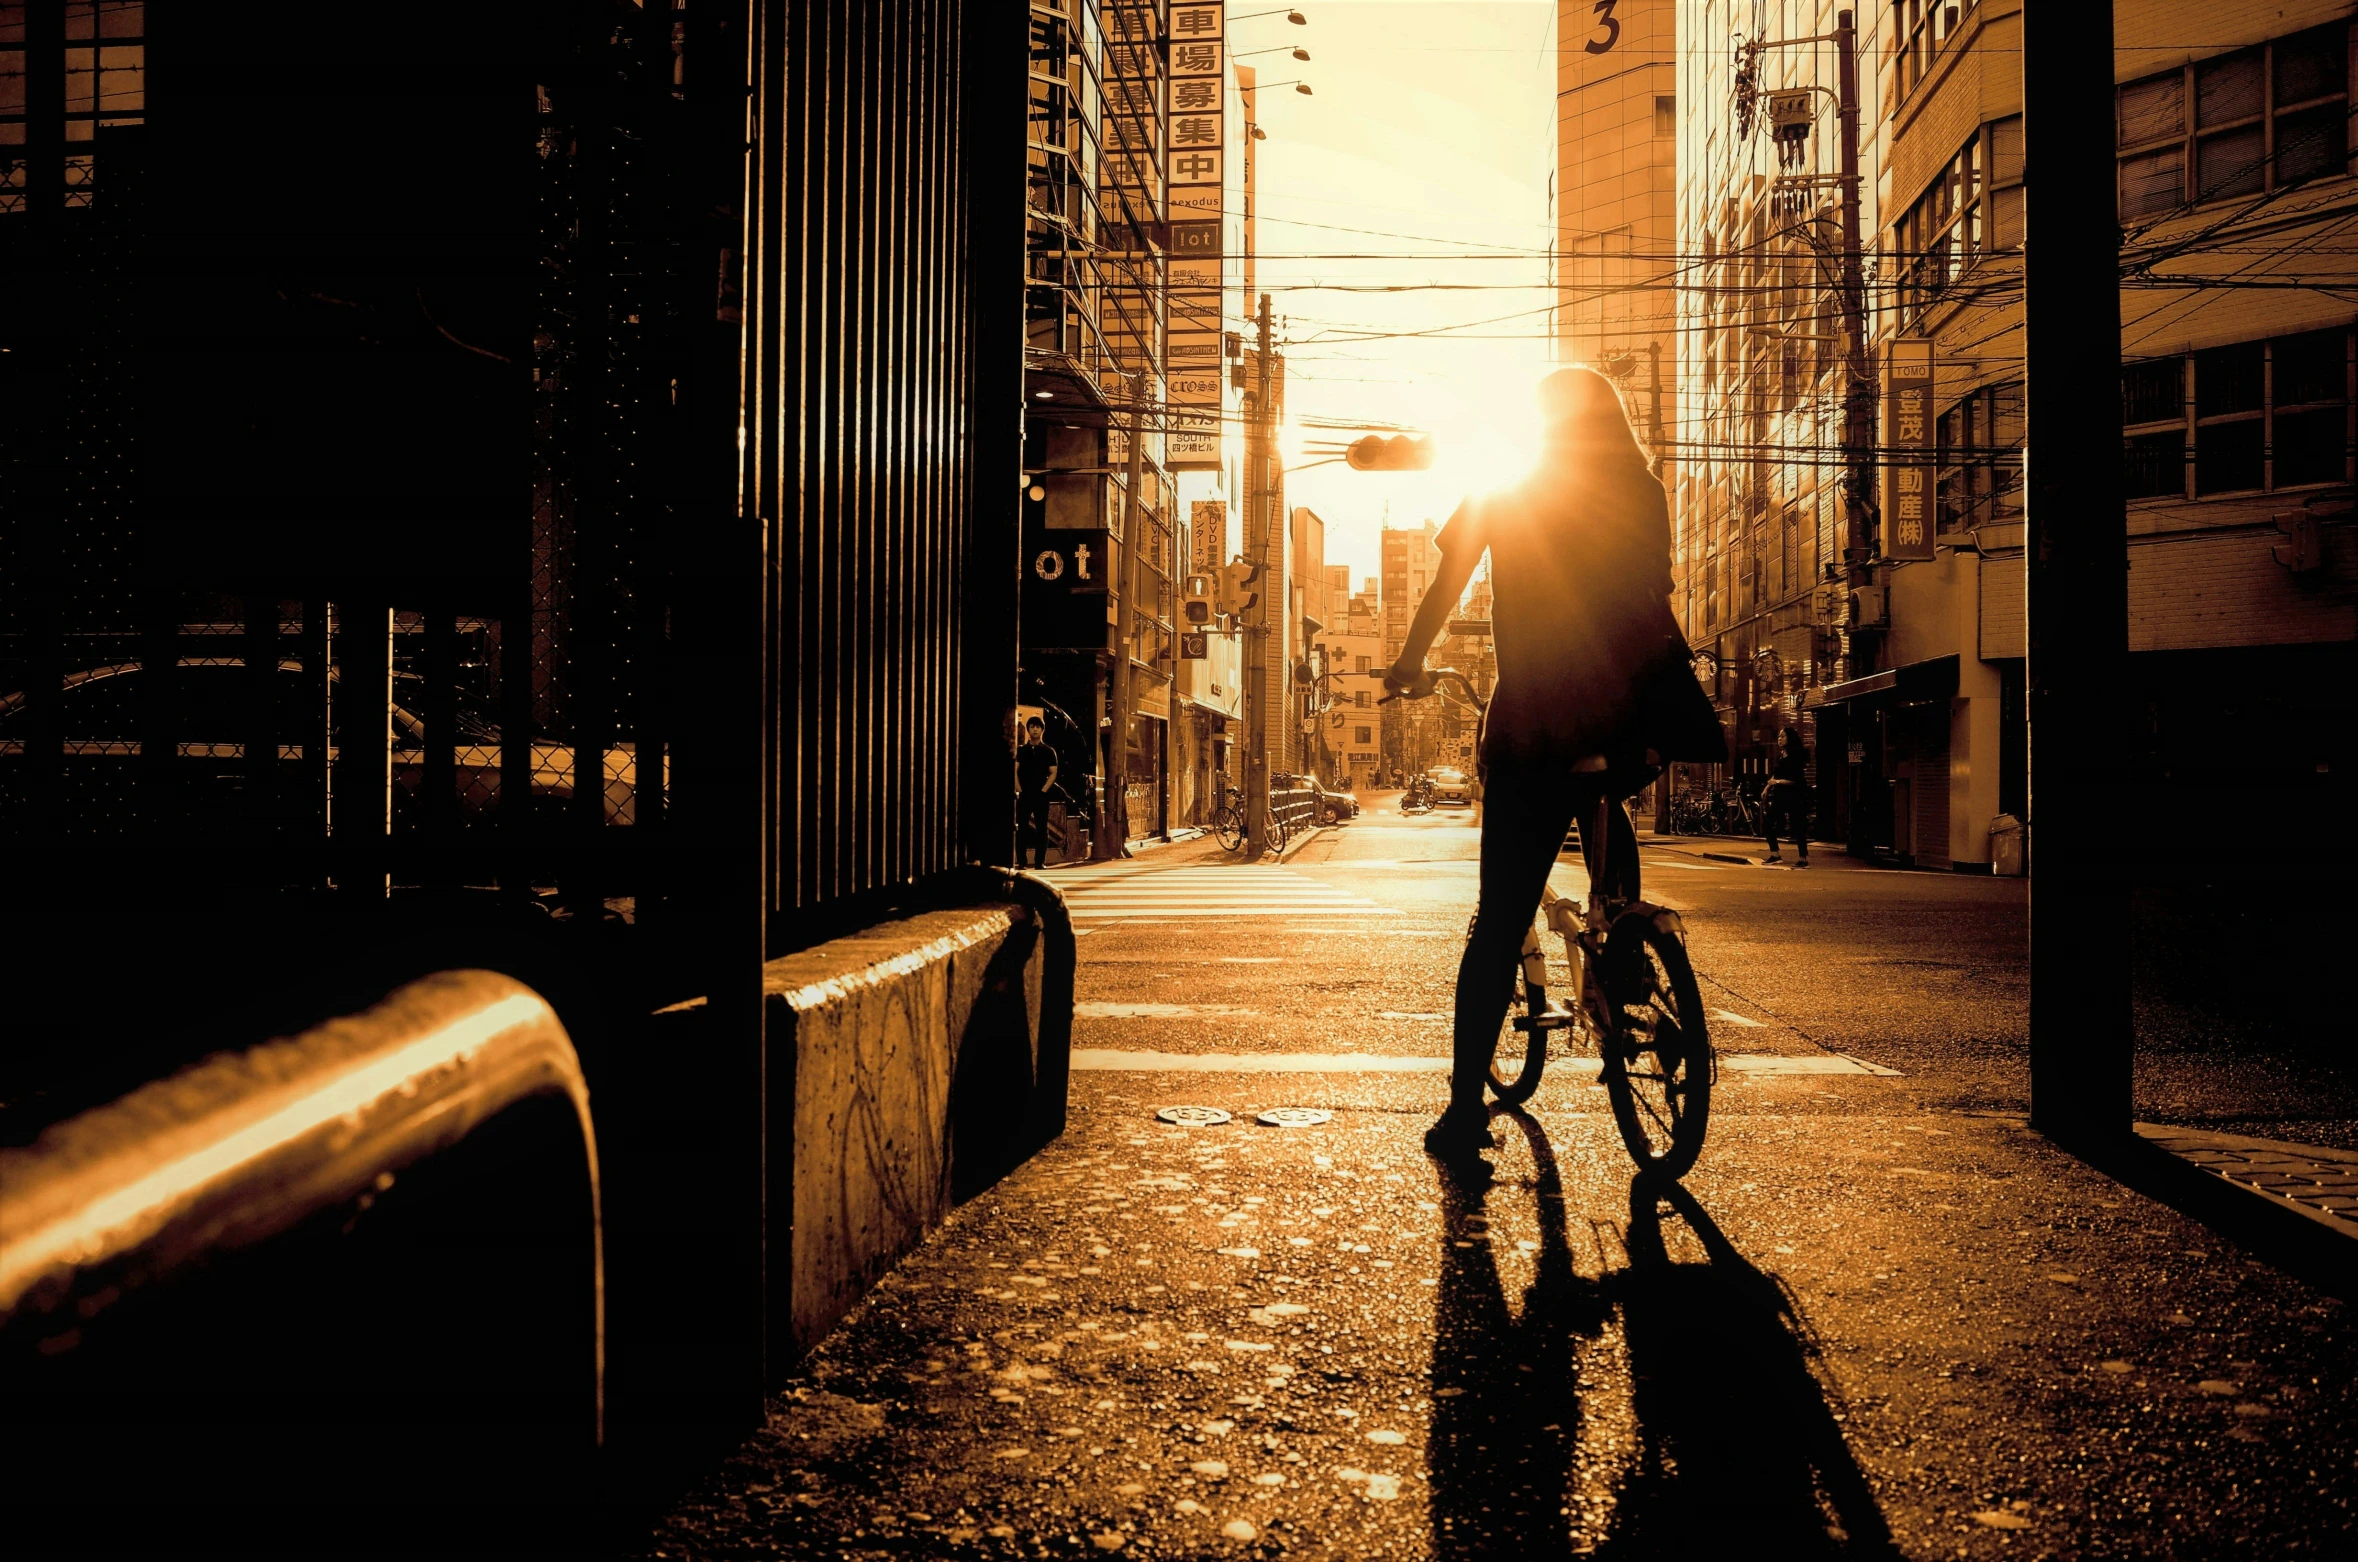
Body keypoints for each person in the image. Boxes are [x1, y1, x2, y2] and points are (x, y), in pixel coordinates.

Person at [1385, 367, 1726, 1158]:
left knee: (1499, 924)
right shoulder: (1643, 489)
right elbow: (1659, 595)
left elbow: (1446, 585)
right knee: (1608, 803)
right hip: (1626, 717)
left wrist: (1408, 661)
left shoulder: (1509, 487)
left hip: (1537, 724)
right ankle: (1628, 958)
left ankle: (1465, 1109)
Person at [1764, 726, 1812, 866]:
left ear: (1790, 738)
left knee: (1798, 825)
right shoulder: (1781, 755)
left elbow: (1796, 780)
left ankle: (1803, 859)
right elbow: (1776, 774)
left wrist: (1776, 782)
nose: (1779, 739)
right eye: (1779, 736)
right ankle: (1775, 854)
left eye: (1783, 736)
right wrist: (1767, 787)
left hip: (1794, 795)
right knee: (1767, 822)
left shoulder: (1795, 756)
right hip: (1780, 795)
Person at [1015, 716, 1059, 869]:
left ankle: (1040, 862)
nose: (1035, 729)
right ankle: (1021, 862)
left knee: (1042, 828)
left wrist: (1044, 790)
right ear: (1027, 729)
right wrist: (1019, 789)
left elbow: (1053, 772)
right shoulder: (1021, 750)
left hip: (1041, 794)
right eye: (1032, 726)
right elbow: (1014, 771)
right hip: (1024, 793)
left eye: (1038, 727)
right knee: (1022, 828)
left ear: (1042, 730)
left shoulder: (1048, 751)